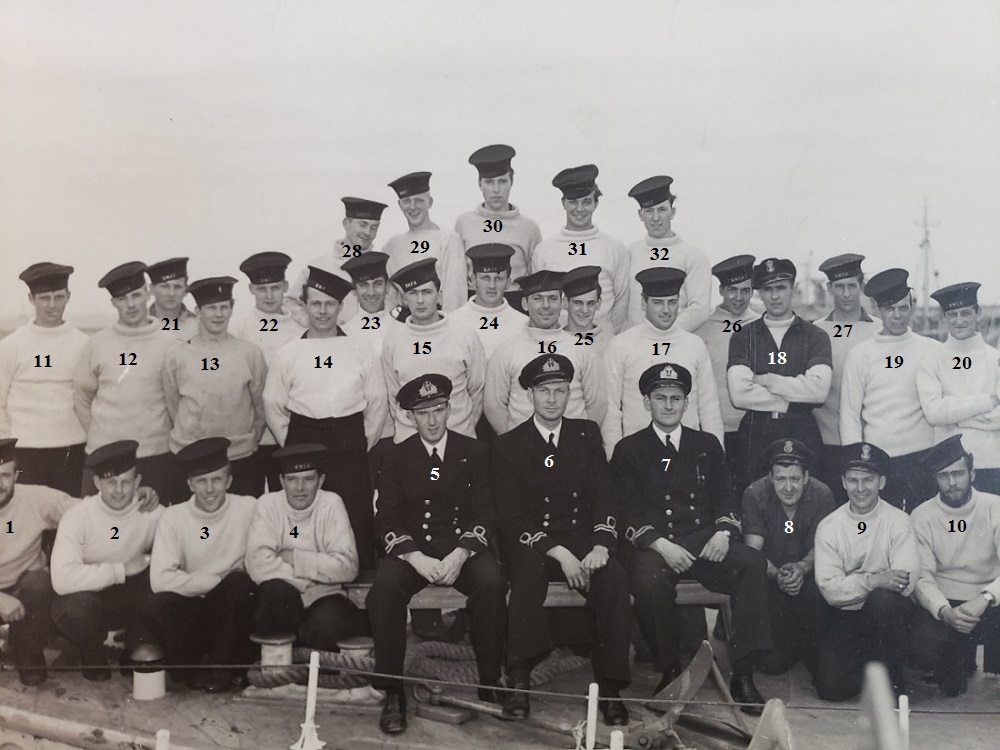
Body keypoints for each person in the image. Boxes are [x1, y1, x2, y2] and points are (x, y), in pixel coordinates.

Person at [613, 363, 771, 714]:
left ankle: (744, 674)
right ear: (647, 402)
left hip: (702, 542)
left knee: (752, 562)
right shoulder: (629, 449)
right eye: (660, 398)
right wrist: (660, 544)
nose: (668, 405)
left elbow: (726, 496)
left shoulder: (706, 444)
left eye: (676, 398)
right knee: (649, 580)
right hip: (655, 547)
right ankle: (669, 669)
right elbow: (626, 513)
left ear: (686, 403)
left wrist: (723, 532)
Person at [493, 354, 630, 726]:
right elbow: (510, 517)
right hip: (536, 545)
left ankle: (612, 687)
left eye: (560, 390)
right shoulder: (508, 445)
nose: (552, 399)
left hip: (583, 540)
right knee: (525, 573)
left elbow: (604, 496)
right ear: (530, 395)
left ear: (570, 394)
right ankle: (519, 679)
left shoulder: (586, 434)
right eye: (544, 391)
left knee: (614, 577)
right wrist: (559, 553)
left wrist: (601, 545)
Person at [366, 375, 507, 735]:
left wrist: (461, 554)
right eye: (423, 413)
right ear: (410, 416)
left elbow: (485, 512)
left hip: (462, 547)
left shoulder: (475, 451)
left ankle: (490, 681)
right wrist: (415, 558)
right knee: (383, 590)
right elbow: (387, 518)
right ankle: (392, 692)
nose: (432, 420)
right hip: (415, 551)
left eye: (438, 410)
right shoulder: (394, 456)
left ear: (449, 409)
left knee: (492, 582)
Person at [264, 266, 387, 570]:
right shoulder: (288, 353)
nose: (322, 311)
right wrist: (293, 443)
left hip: (349, 440)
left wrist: (360, 442)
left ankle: (359, 578)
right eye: (316, 304)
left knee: (354, 510)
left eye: (330, 304)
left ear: (341, 307)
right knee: (306, 510)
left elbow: (377, 402)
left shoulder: (360, 348)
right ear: (304, 306)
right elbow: (273, 403)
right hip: (304, 437)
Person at [142, 437, 257, 692]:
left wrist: (226, 583)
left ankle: (223, 668)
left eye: (217, 479)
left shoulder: (248, 507)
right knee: (157, 603)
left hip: (230, 606)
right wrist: (216, 581)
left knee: (240, 585)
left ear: (229, 481)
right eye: (201, 481)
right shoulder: (173, 517)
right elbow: (160, 579)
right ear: (190, 484)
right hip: (194, 604)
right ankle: (192, 667)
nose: (210, 489)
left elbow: (259, 559)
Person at [813, 441, 920, 700]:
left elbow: (903, 581)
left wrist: (856, 583)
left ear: (881, 482)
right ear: (843, 482)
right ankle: (869, 668)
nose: (860, 488)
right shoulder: (829, 526)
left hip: (887, 615)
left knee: (883, 600)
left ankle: (890, 676)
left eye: (868, 480)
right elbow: (830, 590)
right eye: (853, 480)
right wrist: (874, 580)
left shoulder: (899, 521)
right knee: (830, 688)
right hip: (847, 615)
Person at [50, 440, 164, 680]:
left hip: (130, 599)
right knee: (76, 606)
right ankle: (91, 654)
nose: (119, 490)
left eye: (126, 482)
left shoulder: (152, 512)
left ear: (138, 481)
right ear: (96, 483)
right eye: (111, 482)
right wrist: (120, 570)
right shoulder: (78, 516)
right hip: (91, 598)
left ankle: (135, 650)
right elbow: (61, 579)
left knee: (153, 582)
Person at [246, 443, 368, 653]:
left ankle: (318, 671)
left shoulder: (331, 503)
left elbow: (347, 567)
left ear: (321, 480)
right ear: (281, 481)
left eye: (309, 479)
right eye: (292, 479)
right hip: (285, 597)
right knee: (275, 594)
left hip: (326, 597)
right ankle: (280, 668)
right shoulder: (268, 504)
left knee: (328, 622)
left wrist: (295, 558)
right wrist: (308, 578)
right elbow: (257, 565)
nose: (300, 488)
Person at [74, 261, 179, 501]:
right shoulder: (97, 344)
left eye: (136, 295)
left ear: (148, 293)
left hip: (155, 457)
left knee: (155, 521)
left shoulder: (170, 344)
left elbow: (176, 402)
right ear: (113, 302)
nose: (131, 305)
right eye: (122, 299)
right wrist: (101, 438)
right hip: (105, 457)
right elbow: (82, 398)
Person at [727, 258, 832, 494]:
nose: (775, 296)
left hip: (802, 431)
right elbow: (739, 394)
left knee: (804, 499)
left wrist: (767, 380)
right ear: (759, 293)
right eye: (767, 289)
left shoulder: (815, 336)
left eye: (781, 288)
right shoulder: (743, 337)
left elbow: (818, 391)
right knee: (755, 499)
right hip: (756, 433)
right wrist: (795, 397)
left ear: (793, 289)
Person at [840, 269, 941, 512]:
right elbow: (849, 415)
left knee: (924, 525)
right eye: (889, 309)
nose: (897, 316)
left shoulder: (932, 349)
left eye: (903, 308)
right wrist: (857, 464)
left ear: (912, 307)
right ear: (878, 310)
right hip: (879, 461)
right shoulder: (860, 355)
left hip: (924, 459)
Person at [162, 276, 268, 498]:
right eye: (211, 308)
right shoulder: (177, 355)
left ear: (231, 309)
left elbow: (259, 404)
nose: (218, 314)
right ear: (198, 312)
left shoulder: (249, 353)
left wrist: (249, 439)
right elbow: (173, 405)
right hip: (189, 455)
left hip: (238, 457)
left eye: (224, 307)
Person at [911, 435, 1000, 695]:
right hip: (948, 605)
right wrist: (944, 612)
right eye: (944, 476)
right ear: (935, 479)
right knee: (940, 670)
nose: (952, 483)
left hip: (990, 602)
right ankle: (956, 664)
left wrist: (985, 597)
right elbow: (922, 577)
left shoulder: (994, 507)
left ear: (972, 474)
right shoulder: (922, 515)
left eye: (958, 474)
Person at [603, 267, 723, 455]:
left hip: (687, 454)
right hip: (637, 455)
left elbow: (709, 408)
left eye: (672, 302)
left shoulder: (694, 345)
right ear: (643, 303)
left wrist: (717, 456)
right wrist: (614, 457)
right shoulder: (621, 345)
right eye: (658, 303)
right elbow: (611, 409)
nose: (666, 310)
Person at [741, 438, 834, 675]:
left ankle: (811, 645)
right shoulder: (754, 494)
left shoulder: (823, 495)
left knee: (818, 600)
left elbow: (823, 547)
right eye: (781, 479)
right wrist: (776, 575)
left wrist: (802, 568)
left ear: (806, 477)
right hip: (770, 578)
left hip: (809, 578)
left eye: (795, 478)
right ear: (770, 477)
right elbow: (753, 552)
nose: (788, 487)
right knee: (771, 665)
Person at [0, 263, 88, 494]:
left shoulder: (84, 345)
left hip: (71, 448)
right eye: (44, 298)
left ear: (68, 296)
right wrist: (6, 450)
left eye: (58, 297)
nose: (52, 305)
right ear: (31, 299)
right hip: (24, 450)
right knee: (28, 514)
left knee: (67, 512)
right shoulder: (10, 346)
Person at [483, 270, 607, 435]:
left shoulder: (583, 349)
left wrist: (580, 440)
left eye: (553, 298)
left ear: (562, 302)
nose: (546, 306)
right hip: (524, 445)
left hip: (573, 445)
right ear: (525, 304)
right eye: (538, 298)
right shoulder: (506, 351)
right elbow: (494, 406)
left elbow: (597, 404)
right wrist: (513, 442)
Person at [381, 258, 486, 442]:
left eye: (427, 292)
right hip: (410, 442)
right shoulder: (393, 340)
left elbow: (477, 391)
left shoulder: (464, 335)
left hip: (459, 437)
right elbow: (394, 396)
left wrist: (462, 430)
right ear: (404, 299)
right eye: (413, 293)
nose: (420, 300)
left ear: (439, 296)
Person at [0, 437, 75, 685]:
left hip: (24, 590)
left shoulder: (35, 498)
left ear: (16, 475)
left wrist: (136, 498)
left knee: (40, 582)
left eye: (4, 475)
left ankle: (28, 656)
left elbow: (87, 512)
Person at [231, 252, 307, 490]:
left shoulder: (299, 329)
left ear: (285, 286)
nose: (269, 295)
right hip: (250, 436)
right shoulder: (238, 328)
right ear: (251, 289)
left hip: (288, 433)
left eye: (275, 287)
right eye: (262, 289)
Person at [917, 282, 1000, 495]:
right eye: (952, 314)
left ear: (978, 313)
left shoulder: (995, 359)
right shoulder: (931, 360)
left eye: (966, 313)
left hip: (991, 462)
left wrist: (955, 416)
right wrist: (987, 402)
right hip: (949, 466)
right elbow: (934, 414)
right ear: (943, 317)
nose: (959, 321)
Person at [531, 165, 630, 333]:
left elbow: (621, 301)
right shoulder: (544, 251)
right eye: (573, 202)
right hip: (558, 340)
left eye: (587, 202)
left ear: (596, 203)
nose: (579, 209)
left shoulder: (615, 249)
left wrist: (606, 336)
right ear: (563, 203)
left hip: (601, 340)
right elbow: (539, 301)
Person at [812, 254, 878, 500]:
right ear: (829, 288)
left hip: (872, 440)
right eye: (839, 287)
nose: (847, 293)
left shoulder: (880, 329)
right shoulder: (815, 331)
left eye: (852, 285)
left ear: (862, 286)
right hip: (826, 443)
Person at [692, 255, 761, 479]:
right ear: (721, 290)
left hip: (754, 429)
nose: (739, 298)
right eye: (732, 290)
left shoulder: (762, 325)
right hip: (714, 428)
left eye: (745, 290)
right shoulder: (702, 328)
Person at [454, 144, 542, 311]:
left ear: (511, 182)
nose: (496, 190)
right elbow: (457, 275)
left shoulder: (529, 228)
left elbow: (536, 277)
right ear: (480, 183)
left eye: (502, 181)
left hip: (515, 304)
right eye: (489, 182)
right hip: (474, 304)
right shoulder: (464, 223)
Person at [624, 176, 711, 332]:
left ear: (672, 212)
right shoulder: (630, 253)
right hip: (635, 342)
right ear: (640, 215)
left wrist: (664, 334)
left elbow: (699, 309)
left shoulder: (693, 256)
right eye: (649, 211)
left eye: (662, 210)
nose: (655, 218)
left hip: (675, 340)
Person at [289, 197, 389, 324]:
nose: (368, 232)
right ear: (346, 224)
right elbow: (289, 302)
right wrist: (318, 324)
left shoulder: (383, 266)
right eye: (363, 224)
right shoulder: (318, 265)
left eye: (374, 227)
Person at [382, 172, 467, 313]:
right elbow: (389, 298)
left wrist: (447, 325)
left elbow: (455, 295)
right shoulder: (391, 246)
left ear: (430, 202)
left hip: (439, 317)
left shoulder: (448, 239)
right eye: (406, 201)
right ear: (400, 204)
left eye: (419, 200)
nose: (412, 206)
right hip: (404, 320)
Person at [447, 243, 527, 360]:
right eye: (485, 278)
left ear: (508, 283)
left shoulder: (523, 324)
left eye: (498, 279)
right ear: (473, 280)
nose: (492, 286)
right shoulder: (453, 321)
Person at [338, 252, 403, 356]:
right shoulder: (343, 335)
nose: (371, 293)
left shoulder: (402, 331)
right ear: (355, 290)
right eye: (363, 285)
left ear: (387, 287)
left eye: (378, 284)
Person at [561, 265, 614, 356]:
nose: (585, 310)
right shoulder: (554, 342)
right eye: (578, 303)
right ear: (565, 302)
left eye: (591, 303)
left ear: (598, 303)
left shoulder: (611, 343)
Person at [146, 257, 198, 342]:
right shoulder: (138, 323)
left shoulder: (198, 325)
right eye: (165, 286)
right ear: (152, 289)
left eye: (177, 287)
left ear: (186, 290)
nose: (171, 293)